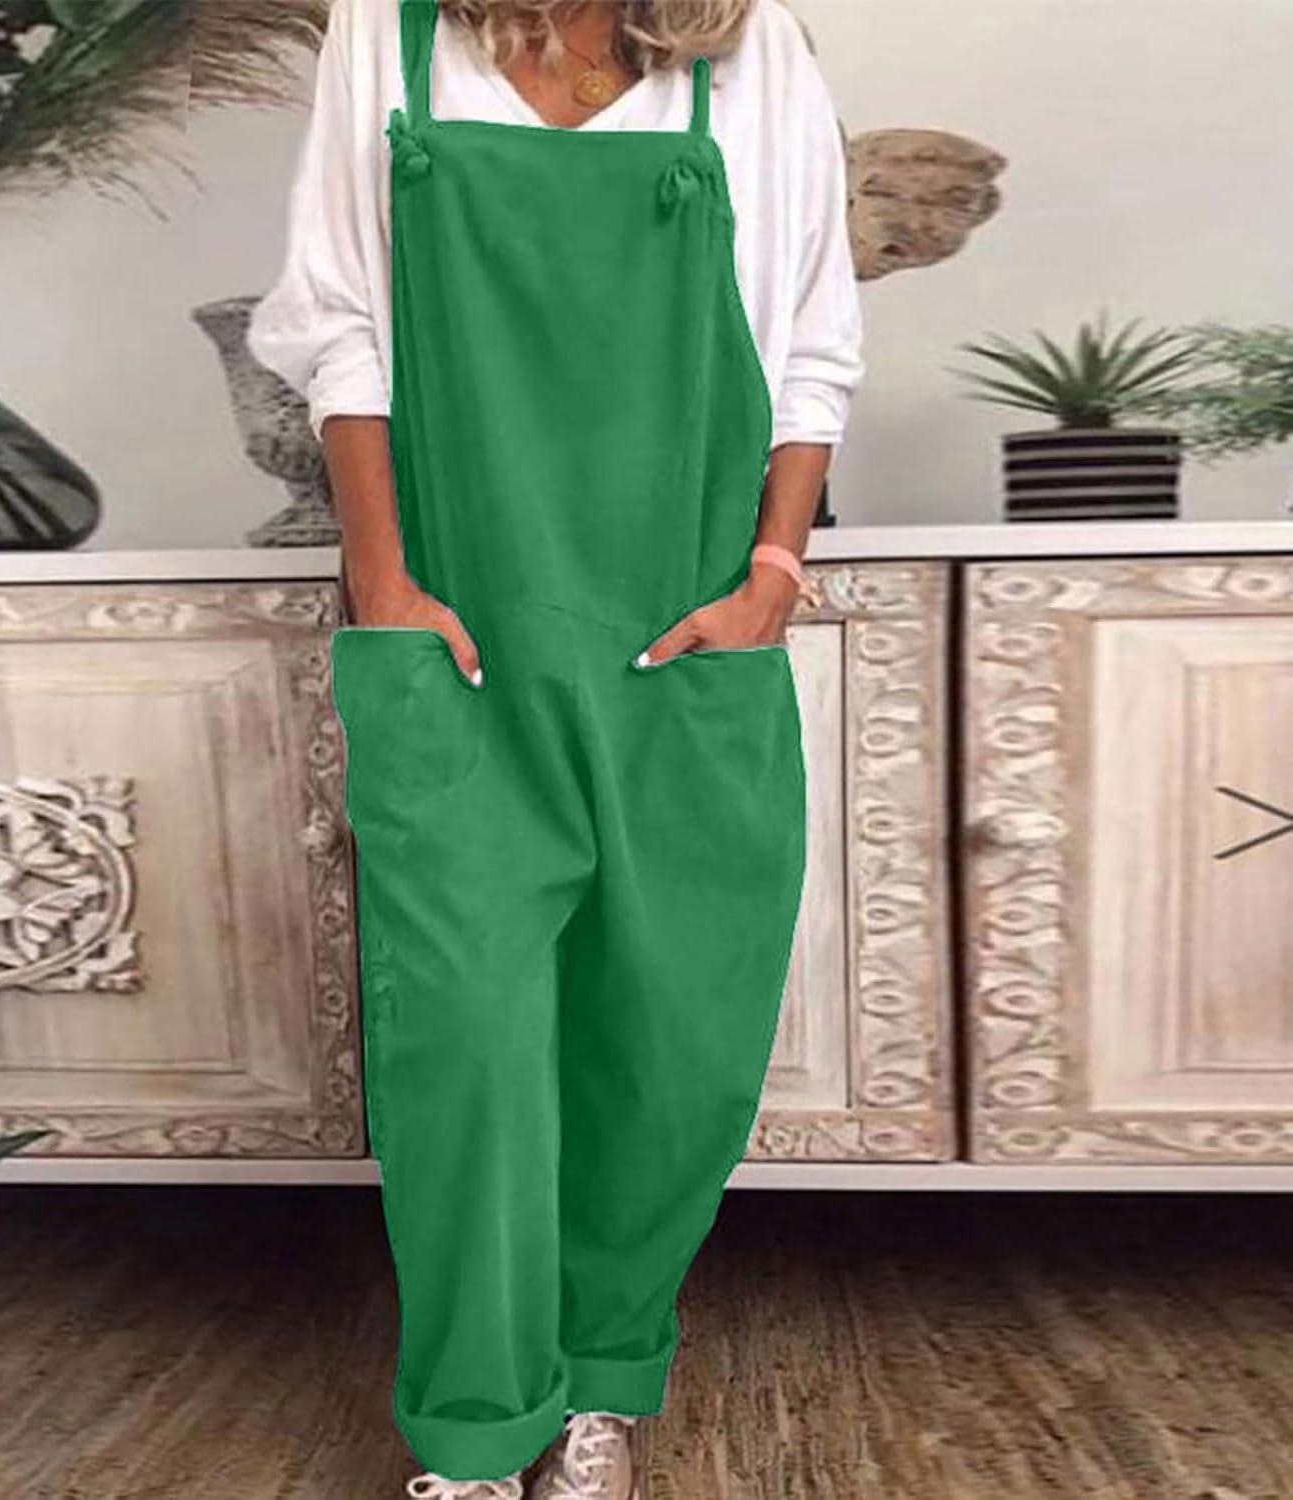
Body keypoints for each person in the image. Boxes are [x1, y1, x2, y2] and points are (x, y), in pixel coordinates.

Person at [247, 0, 864, 1494]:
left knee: (673, 1039)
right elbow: (339, 321)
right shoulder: (388, 36)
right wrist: (384, 583)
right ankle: (476, 1423)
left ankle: (602, 1373)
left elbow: (810, 338)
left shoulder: (749, 50)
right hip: (458, 636)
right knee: (460, 1040)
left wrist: (771, 579)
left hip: (682, 634)